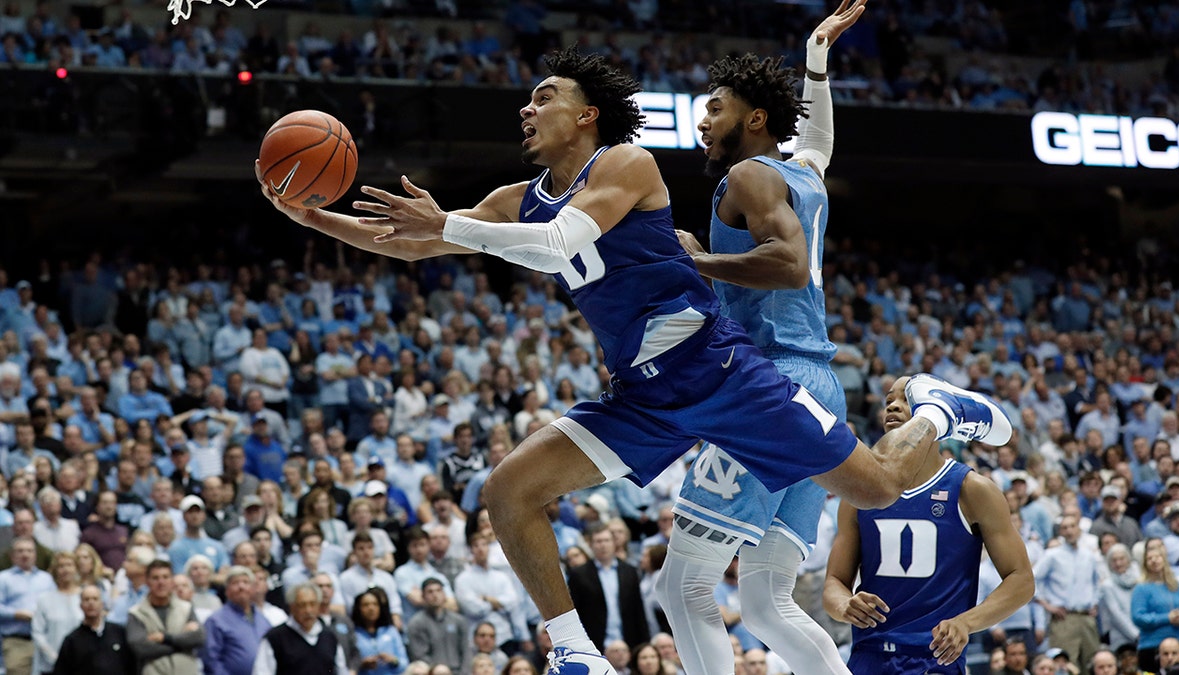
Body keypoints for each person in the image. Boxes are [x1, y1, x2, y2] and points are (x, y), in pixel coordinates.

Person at [257, 42, 1013, 672]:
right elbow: (410, 241)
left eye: (543, 95)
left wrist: (450, 225)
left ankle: (939, 410)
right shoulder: (520, 197)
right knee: (508, 490)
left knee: (878, 489)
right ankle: (574, 651)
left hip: (720, 373)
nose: (527, 107)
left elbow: (556, 244)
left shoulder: (627, 165)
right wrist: (310, 213)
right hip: (643, 395)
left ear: (585, 115)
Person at [654, 5, 865, 673]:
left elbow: (787, 263)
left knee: (682, 585)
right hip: (820, 389)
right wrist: (816, 61)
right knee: (769, 598)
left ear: (753, 119)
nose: (703, 118)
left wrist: (695, 263)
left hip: (767, 387)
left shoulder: (745, 176)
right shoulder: (805, 173)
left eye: (715, 106)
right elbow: (821, 140)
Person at [825, 376, 1034, 674]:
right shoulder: (859, 493)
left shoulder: (973, 489)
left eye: (906, 399)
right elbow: (834, 582)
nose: (893, 407)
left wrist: (966, 622)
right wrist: (845, 605)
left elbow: (1022, 580)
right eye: (888, 402)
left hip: (935, 659)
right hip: (869, 655)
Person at [1033, 513, 1102, 669]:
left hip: (1086, 618)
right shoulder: (1052, 555)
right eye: (1065, 528)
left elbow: (1096, 583)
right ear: (1061, 532)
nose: (1069, 531)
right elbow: (1033, 579)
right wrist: (1047, 605)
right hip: (1064, 618)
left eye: (1072, 526)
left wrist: (1095, 602)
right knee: (1063, 665)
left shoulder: (1089, 556)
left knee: (1092, 665)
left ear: (1079, 529)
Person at [252, 582, 349, 675]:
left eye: (312, 604)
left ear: (319, 606)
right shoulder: (275, 638)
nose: (308, 610)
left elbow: (342, 671)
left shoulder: (329, 637)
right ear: (292, 607)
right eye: (302, 605)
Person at [127, 559, 205, 675]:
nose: (161, 582)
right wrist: (182, 645)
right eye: (155, 578)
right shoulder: (136, 613)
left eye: (165, 577)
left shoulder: (186, 608)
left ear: (172, 581)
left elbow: (199, 637)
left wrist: (165, 638)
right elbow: (140, 648)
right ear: (147, 581)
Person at [0, 536, 57, 675]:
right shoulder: (3, 578)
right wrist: (16, 614)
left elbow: (55, 603)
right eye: (20, 551)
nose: (25, 554)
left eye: (29, 551)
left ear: (35, 555)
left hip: (46, 640)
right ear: (12, 556)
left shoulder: (46, 578)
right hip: (17, 641)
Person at [1131, 547, 1179, 671]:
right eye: (1149, 558)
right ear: (1145, 563)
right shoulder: (1141, 588)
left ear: (1164, 560)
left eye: (1157, 557)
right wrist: (1167, 618)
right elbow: (1138, 617)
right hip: (1152, 645)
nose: (1154, 561)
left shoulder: (1177, 586)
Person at [52, 584, 135, 675]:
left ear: (102, 604)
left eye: (95, 599)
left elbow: (132, 665)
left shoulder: (119, 632)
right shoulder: (72, 640)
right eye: (86, 599)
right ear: (81, 605)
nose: (91, 603)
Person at [203, 565, 272, 675]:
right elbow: (211, 661)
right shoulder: (215, 621)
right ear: (227, 591)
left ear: (253, 588)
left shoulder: (263, 620)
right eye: (235, 583)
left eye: (246, 582)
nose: (241, 587)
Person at [32, 551, 83, 675]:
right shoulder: (44, 599)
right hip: (52, 665)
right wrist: (55, 657)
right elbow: (38, 633)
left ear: (76, 568)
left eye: (69, 565)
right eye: (61, 566)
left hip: (82, 663)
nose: (66, 570)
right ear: (55, 570)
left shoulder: (85, 596)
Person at [407, 578, 470, 672]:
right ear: (423, 596)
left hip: (458, 671)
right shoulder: (416, 623)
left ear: (444, 594)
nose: (435, 595)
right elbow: (419, 655)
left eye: (439, 590)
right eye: (430, 592)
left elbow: (466, 651)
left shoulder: (458, 621)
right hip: (431, 672)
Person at [351, 587, 408, 675]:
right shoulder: (353, 634)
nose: (371, 608)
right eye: (366, 605)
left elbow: (404, 663)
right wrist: (361, 664)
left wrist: (393, 660)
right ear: (358, 608)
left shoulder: (391, 631)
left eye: (375, 604)